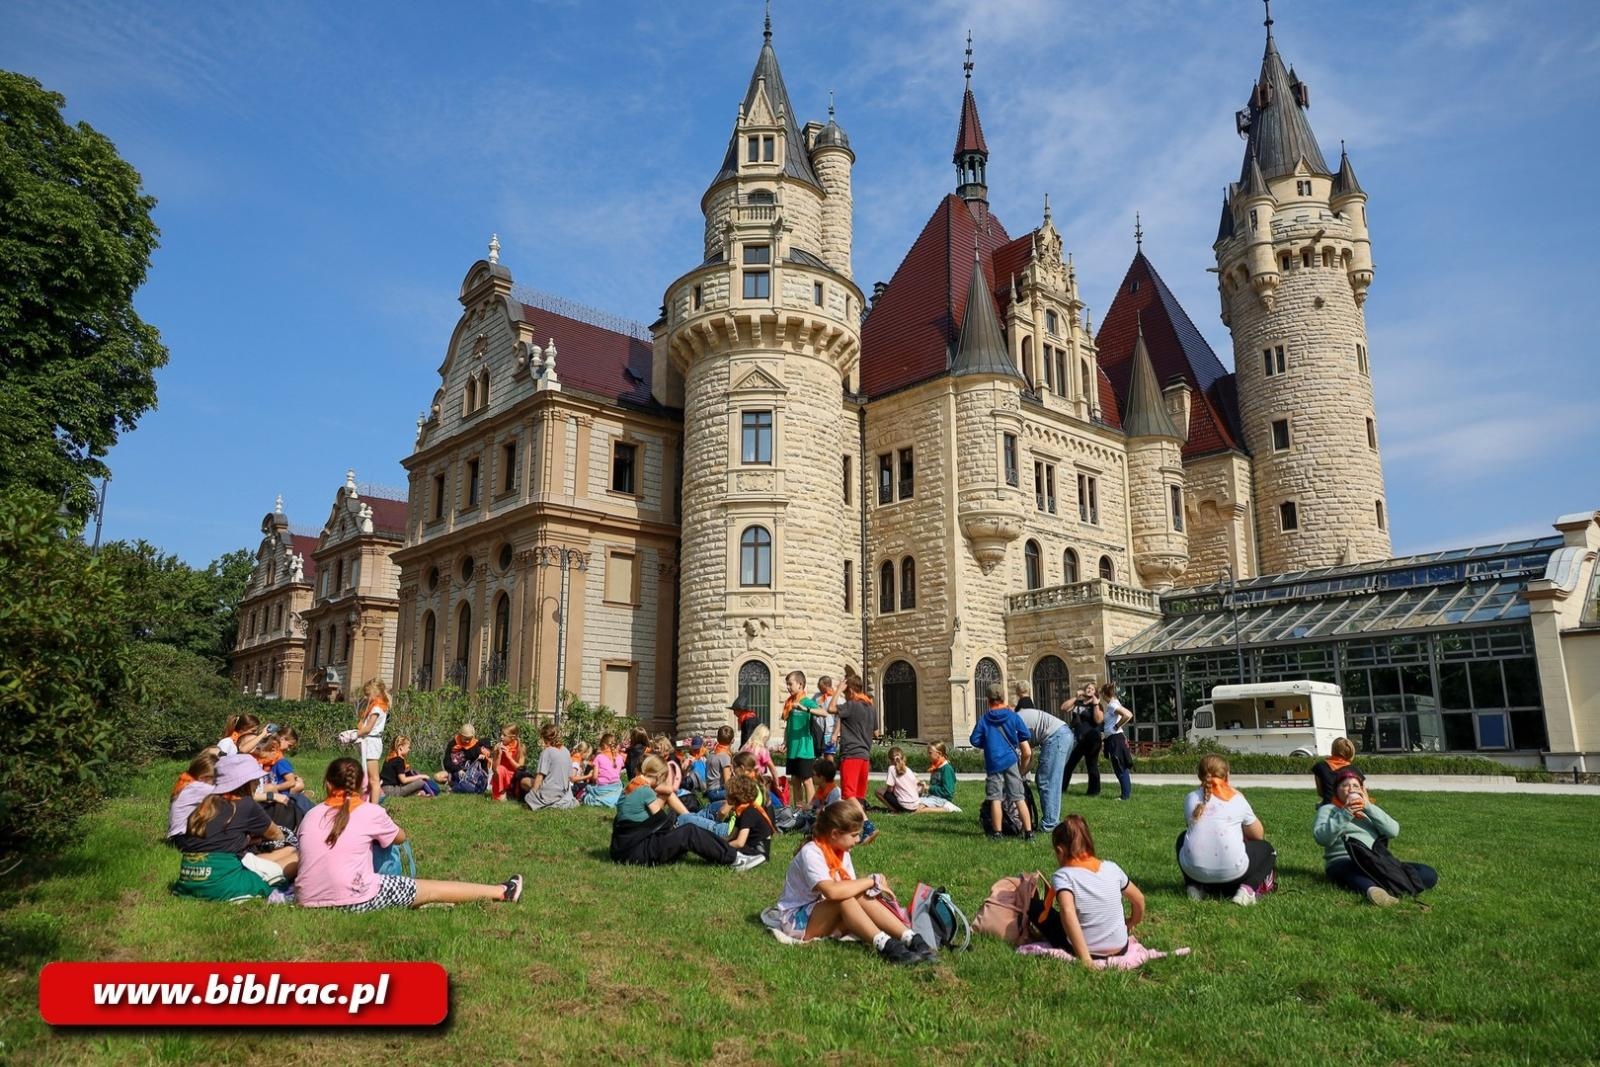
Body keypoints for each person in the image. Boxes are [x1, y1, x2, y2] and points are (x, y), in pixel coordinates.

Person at [296, 757, 523, 910]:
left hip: (307, 898)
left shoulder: (311, 815)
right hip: (355, 897)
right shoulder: (370, 812)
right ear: (362, 787)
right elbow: (400, 837)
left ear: (327, 784)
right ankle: (502, 891)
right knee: (430, 889)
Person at [766, 800, 933, 964]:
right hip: (798, 920)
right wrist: (871, 881)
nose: (858, 839)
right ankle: (888, 947)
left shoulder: (841, 851)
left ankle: (911, 938)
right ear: (835, 834)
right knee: (843, 899)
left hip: (822, 912)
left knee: (855, 895)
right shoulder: (811, 852)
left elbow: (850, 888)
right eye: (854, 835)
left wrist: (871, 886)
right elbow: (832, 892)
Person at [171, 754, 299, 901]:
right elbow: (277, 835)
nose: (258, 784)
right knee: (297, 856)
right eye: (255, 779)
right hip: (221, 883)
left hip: (189, 877)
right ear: (245, 782)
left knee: (288, 851)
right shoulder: (247, 805)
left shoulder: (206, 803)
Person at [611, 756, 765, 870]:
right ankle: (734, 859)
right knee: (689, 831)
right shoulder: (645, 792)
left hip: (624, 848)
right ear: (659, 776)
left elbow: (652, 814)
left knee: (688, 828)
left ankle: (729, 852)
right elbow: (663, 825)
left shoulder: (632, 786)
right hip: (638, 852)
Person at [1033, 814, 1145, 963]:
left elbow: (1067, 911)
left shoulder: (1063, 876)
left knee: (1035, 906)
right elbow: (1138, 899)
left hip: (1090, 952)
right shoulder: (1112, 867)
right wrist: (1132, 922)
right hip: (1121, 947)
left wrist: (1085, 958)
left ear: (1059, 851)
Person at [1314, 771, 1438, 906]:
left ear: (1363, 790)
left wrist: (1368, 806)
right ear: (1337, 791)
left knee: (1427, 873)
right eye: (1345, 785)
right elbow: (1322, 838)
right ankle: (1374, 891)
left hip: (1376, 861)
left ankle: (1386, 883)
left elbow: (1393, 831)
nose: (1351, 789)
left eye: (1356, 786)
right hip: (1344, 861)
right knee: (1349, 871)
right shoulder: (1329, 810)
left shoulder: (1369, 811)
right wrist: (1346, 813)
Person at [1177, 755, 1277, 905]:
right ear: (1227, 775)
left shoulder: (1190, 798)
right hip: (1234, 871)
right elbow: (1258, 835)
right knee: (1268, 850)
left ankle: (1194, 886)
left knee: (1182, 838)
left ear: (1199, 776)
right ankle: (1247, 890)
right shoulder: (1237, 799)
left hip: (1195, 872)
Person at [969, 682, 1035, 842]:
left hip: (993, 762)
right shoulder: (1012, 715)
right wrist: (1013, 739)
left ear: (987, 700)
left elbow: (974, 739)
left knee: (995, 798)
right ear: (1003, 697)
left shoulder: (984, 719)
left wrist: (989, 742)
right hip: (1011, 760)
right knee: (1018, 797)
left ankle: (997, 833)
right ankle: (1029, 833)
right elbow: (1025, 733)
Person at [1016, 695, 1073, 831]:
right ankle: (1050, 821)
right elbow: (1030, 761)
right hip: (1064, 734)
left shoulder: (1011, 724)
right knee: (1047, 779)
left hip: (1056, 737)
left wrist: (1016, 776)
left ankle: (1050, 824)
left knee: (1047, 781)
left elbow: (1027, 755)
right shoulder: (1016, 718)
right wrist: (1020, 775)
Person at [834, 675, 878, 804]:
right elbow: (876, 733)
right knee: (859, 796)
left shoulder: (851, 705)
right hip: (864, 756)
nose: (845, 696)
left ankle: (863, 821)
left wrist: (837, 691)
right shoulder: (871, 707)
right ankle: (859, 823)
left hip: (851, 754)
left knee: (848, 795)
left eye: (845, 692)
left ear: (851, 691)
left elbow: (830, 708)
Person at [782, 671, 823, 805]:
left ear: (800, 685)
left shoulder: (807, 702)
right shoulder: (789, 704)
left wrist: (805, 709)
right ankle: (799, 808)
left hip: (805, 749)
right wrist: (785, 741)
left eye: (790, 684)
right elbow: (789, 724)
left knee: (807, 780)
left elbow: (824, 713)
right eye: (787, 684)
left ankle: (810, 808)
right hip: (792, 749)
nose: (788, 687)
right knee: (795, 780)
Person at [168, 750, 220, 843]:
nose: (217, 782)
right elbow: (226, 792)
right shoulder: (197, 787)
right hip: (183, 837)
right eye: (215, 779)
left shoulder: (188, 783)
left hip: (179, 835)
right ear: (204, 777)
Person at [1061, 682, 1104, 797]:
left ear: (1095, 692)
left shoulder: (1096, 705)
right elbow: (1064, 708)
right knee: (1069, 764)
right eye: (1088, 688)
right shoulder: (1078, 703)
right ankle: (1061, 788)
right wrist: (1075, 697)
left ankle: (1094, 791)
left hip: (1091, 739)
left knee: (1092, 765)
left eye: (1092, 689)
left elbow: (1099, 720)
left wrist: (1095, 705)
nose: (1089, 690)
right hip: (1077, 739)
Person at [524, 724, 578, 812]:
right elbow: (569, 777)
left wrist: (531, 796)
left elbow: (540, 777)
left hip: (549, 793)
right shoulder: (566, 751)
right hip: (564, 794)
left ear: (544, 738)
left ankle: (536, 800)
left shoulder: (547, 751)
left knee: (524, 781)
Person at [355, 679, 390, 804]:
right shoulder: (373, 707)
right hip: (368, 742)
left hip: (371, 743)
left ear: (375, 692)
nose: (366, 697)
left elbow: (368, 729)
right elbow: (363, 726)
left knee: (374, 779)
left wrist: (352, 734)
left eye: (367, 694)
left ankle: (374, 807)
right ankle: (367, 801)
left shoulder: (377, 708)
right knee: (368, 777)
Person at [724, 774, 774, 862]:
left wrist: (723, 846)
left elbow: (740, 842)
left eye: (728, 793)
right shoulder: (742, 809)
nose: (726, 796)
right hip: (751, 847)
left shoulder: (748, 813)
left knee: (725, 851)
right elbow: (732, 835)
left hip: (758, 853)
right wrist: (721, 841)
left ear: (736, 795)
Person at [1099, 683, 1134, 801]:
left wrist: (1116, 726)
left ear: (1104, 694)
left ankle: (1125, 796)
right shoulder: (1114, 704)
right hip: (1114, 738)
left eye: (1102, 694)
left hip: (1116, 738)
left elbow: (1128, 715)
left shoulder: (1112, 705)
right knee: (1120, 766)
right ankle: (1126, 794)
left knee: (1120, 767)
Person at [1312, 737, 1363, 806]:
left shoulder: (1320, 767)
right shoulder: (1355, 770)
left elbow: (1320, 792)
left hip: (1329, 806)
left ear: (1333, 750)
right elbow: (1362, 794)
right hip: (1352, 805)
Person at [443, 724, 492, 794]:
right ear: (460, 735)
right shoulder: (452, 744)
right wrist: (458, 769)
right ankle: (455, 784)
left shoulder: (476, 745)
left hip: (469, 773)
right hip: (455, 770)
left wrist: (482, 759)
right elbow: (446, 762)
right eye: (465, 739)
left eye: (469, 739)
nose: (467, 741)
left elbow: (482, 765)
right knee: (438, 777)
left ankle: (456, 787)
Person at [583, 733, 625, 808]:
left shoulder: (599, 757)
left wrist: (591, 775)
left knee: (587, 794)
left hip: (602, 788)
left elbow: (595, 777)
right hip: (616, 787)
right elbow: (618, 775)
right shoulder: (619, 757)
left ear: (604, 745)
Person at [876, 746, 920, 813]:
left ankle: (894, 810)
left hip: (905, 805)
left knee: (878, 791)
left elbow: (890, 790)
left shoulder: (891, 768)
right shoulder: (908, 769)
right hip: (915, 804)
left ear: (889, 759)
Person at [491, 724, 529, 801]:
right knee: (500, 769)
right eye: (501, 734)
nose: (501, 737)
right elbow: (494, 770)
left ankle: (512, 792)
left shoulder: (520, 748)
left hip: (514, 778)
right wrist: (499, 755)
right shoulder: (497, 747)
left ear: (513, 737)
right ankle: (502, 792)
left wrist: (509, 757)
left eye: (504, 735)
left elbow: (521, 769)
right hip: (501, 777)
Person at [919, 742, 960, 812]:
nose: (928, 755)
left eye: (930, 753)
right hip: (933, 796)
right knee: (911, 804)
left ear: (939, 754)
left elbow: (948, 792)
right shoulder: (936, 767)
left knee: (917, 809)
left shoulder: (946, 769)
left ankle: (947, 809)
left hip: (942, 798)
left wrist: (930, 788)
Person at [703, 726, 735, 805]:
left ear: (717, 739)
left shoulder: (711, 755)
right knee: (742, 794)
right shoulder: (724, 757)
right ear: (733, 740)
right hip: (717, 791)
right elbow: (727, 782)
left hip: (710, 790)